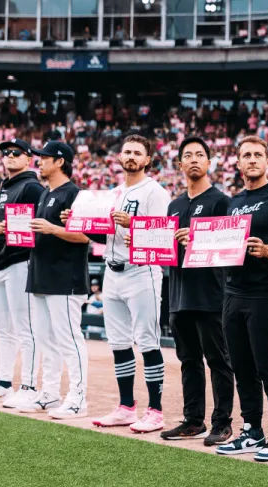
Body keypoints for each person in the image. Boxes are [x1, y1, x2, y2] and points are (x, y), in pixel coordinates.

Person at [128, 137, 232, 444]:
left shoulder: (221, 201)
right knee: (188, 360)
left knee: (218, 360)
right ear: (180, 165)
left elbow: (230, 245)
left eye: (200, 154)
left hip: (211, 293)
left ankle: (222, 422)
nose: (195, 159)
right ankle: (193, 420)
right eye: (189, 155)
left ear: (209, 163)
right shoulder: (173, 205)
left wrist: (198, 237)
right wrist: (139, 242)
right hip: (178, 293)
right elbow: (161, 247)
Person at [76, 135, 171, 432]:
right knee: (118, 342)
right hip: (112, 270)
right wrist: (77, 222)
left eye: (137, 153)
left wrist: (135, 226)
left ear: (147, 160)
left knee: (147, 340)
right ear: (119, 157)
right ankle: (126, 407)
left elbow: (162, 235)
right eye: (127, 151)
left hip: (142, 271)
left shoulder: (155, 191)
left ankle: (155, 410)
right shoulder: (112, 193)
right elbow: (101, 234)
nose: (130, 156)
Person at [214, 135, 268, 459]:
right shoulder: (232, 203)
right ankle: (252, 429)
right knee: (242, 366)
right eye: (246, 155)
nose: (251, 159)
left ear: (267, 161)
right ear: (237, 162)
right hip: (234, 292)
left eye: (258, 154)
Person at [16, 141, 92, 418]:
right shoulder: (45, 193)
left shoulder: (74, 194)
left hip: (65, 277)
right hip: (41, 274)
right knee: (45, 338)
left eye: (45, 157)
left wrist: (52, 228)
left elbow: (85, 236)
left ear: (60, 161)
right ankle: (49, 392)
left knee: (69, 338)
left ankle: (79, 397)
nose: (39, 161)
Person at [0, 138, 45, 406]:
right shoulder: (7, 187)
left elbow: (37, 225)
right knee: (4, 329)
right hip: (1, 261)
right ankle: (4, 383)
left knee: (25, 327)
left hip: (21, 260)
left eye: (17, 152)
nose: (10, 156)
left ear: (29, 158)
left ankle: (29, 385)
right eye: (6, 153)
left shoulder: (32, 187)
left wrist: (1, 228)